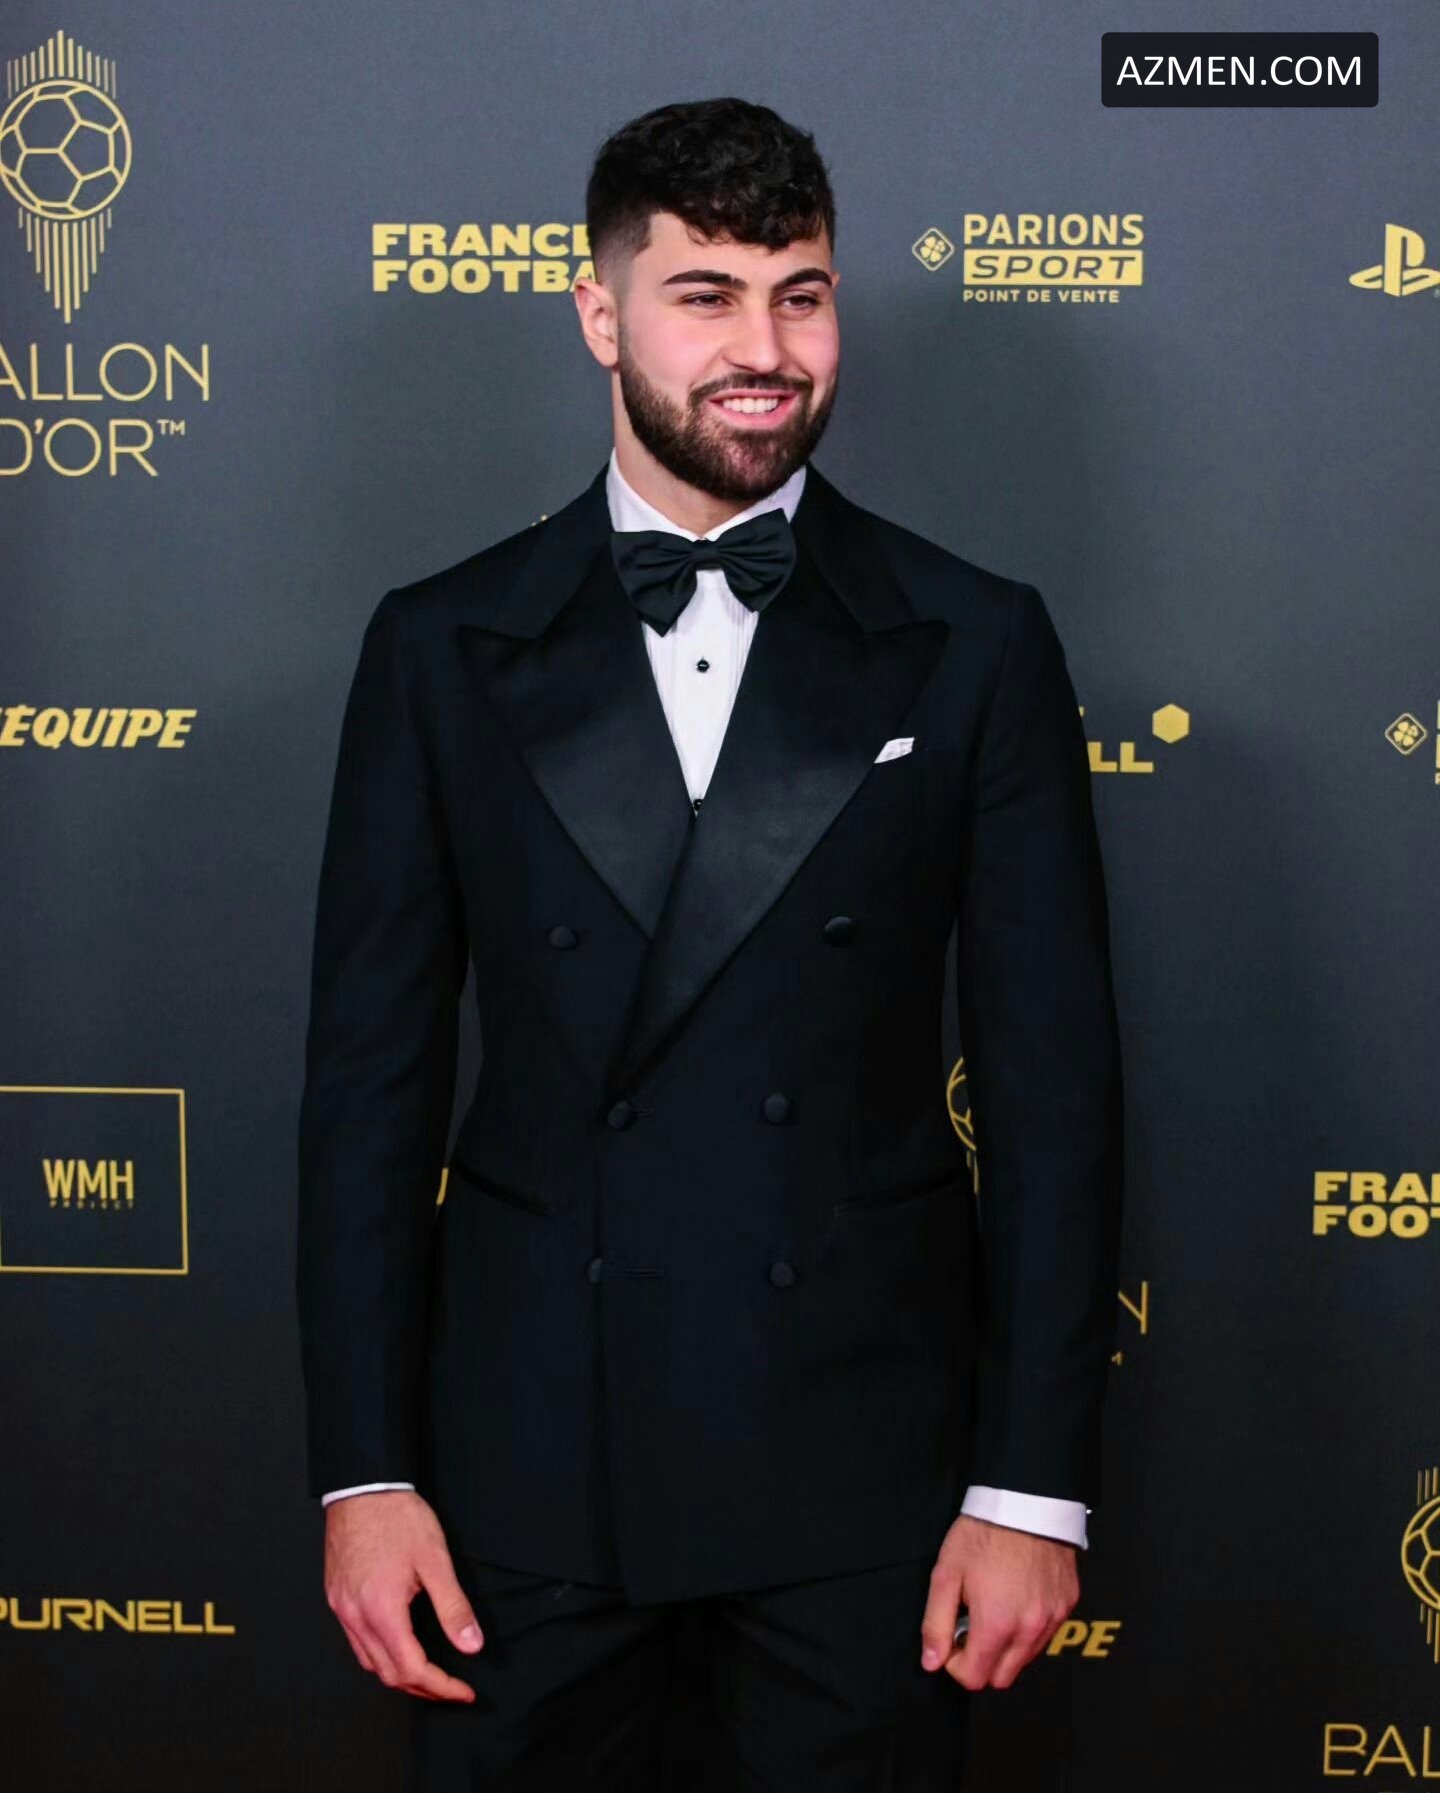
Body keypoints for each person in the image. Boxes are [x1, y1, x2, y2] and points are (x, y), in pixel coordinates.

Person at [297, 95, 1124, 1791]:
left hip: (864, 1480)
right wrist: (365, 1472)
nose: (765, 349)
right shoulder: (441, 647)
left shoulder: (974, 639)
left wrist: (1030, 1487)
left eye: (800, 295)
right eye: (706, 296)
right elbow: (368, 1097)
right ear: (599, 316)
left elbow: (1054, 1092)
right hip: (525, 1473)